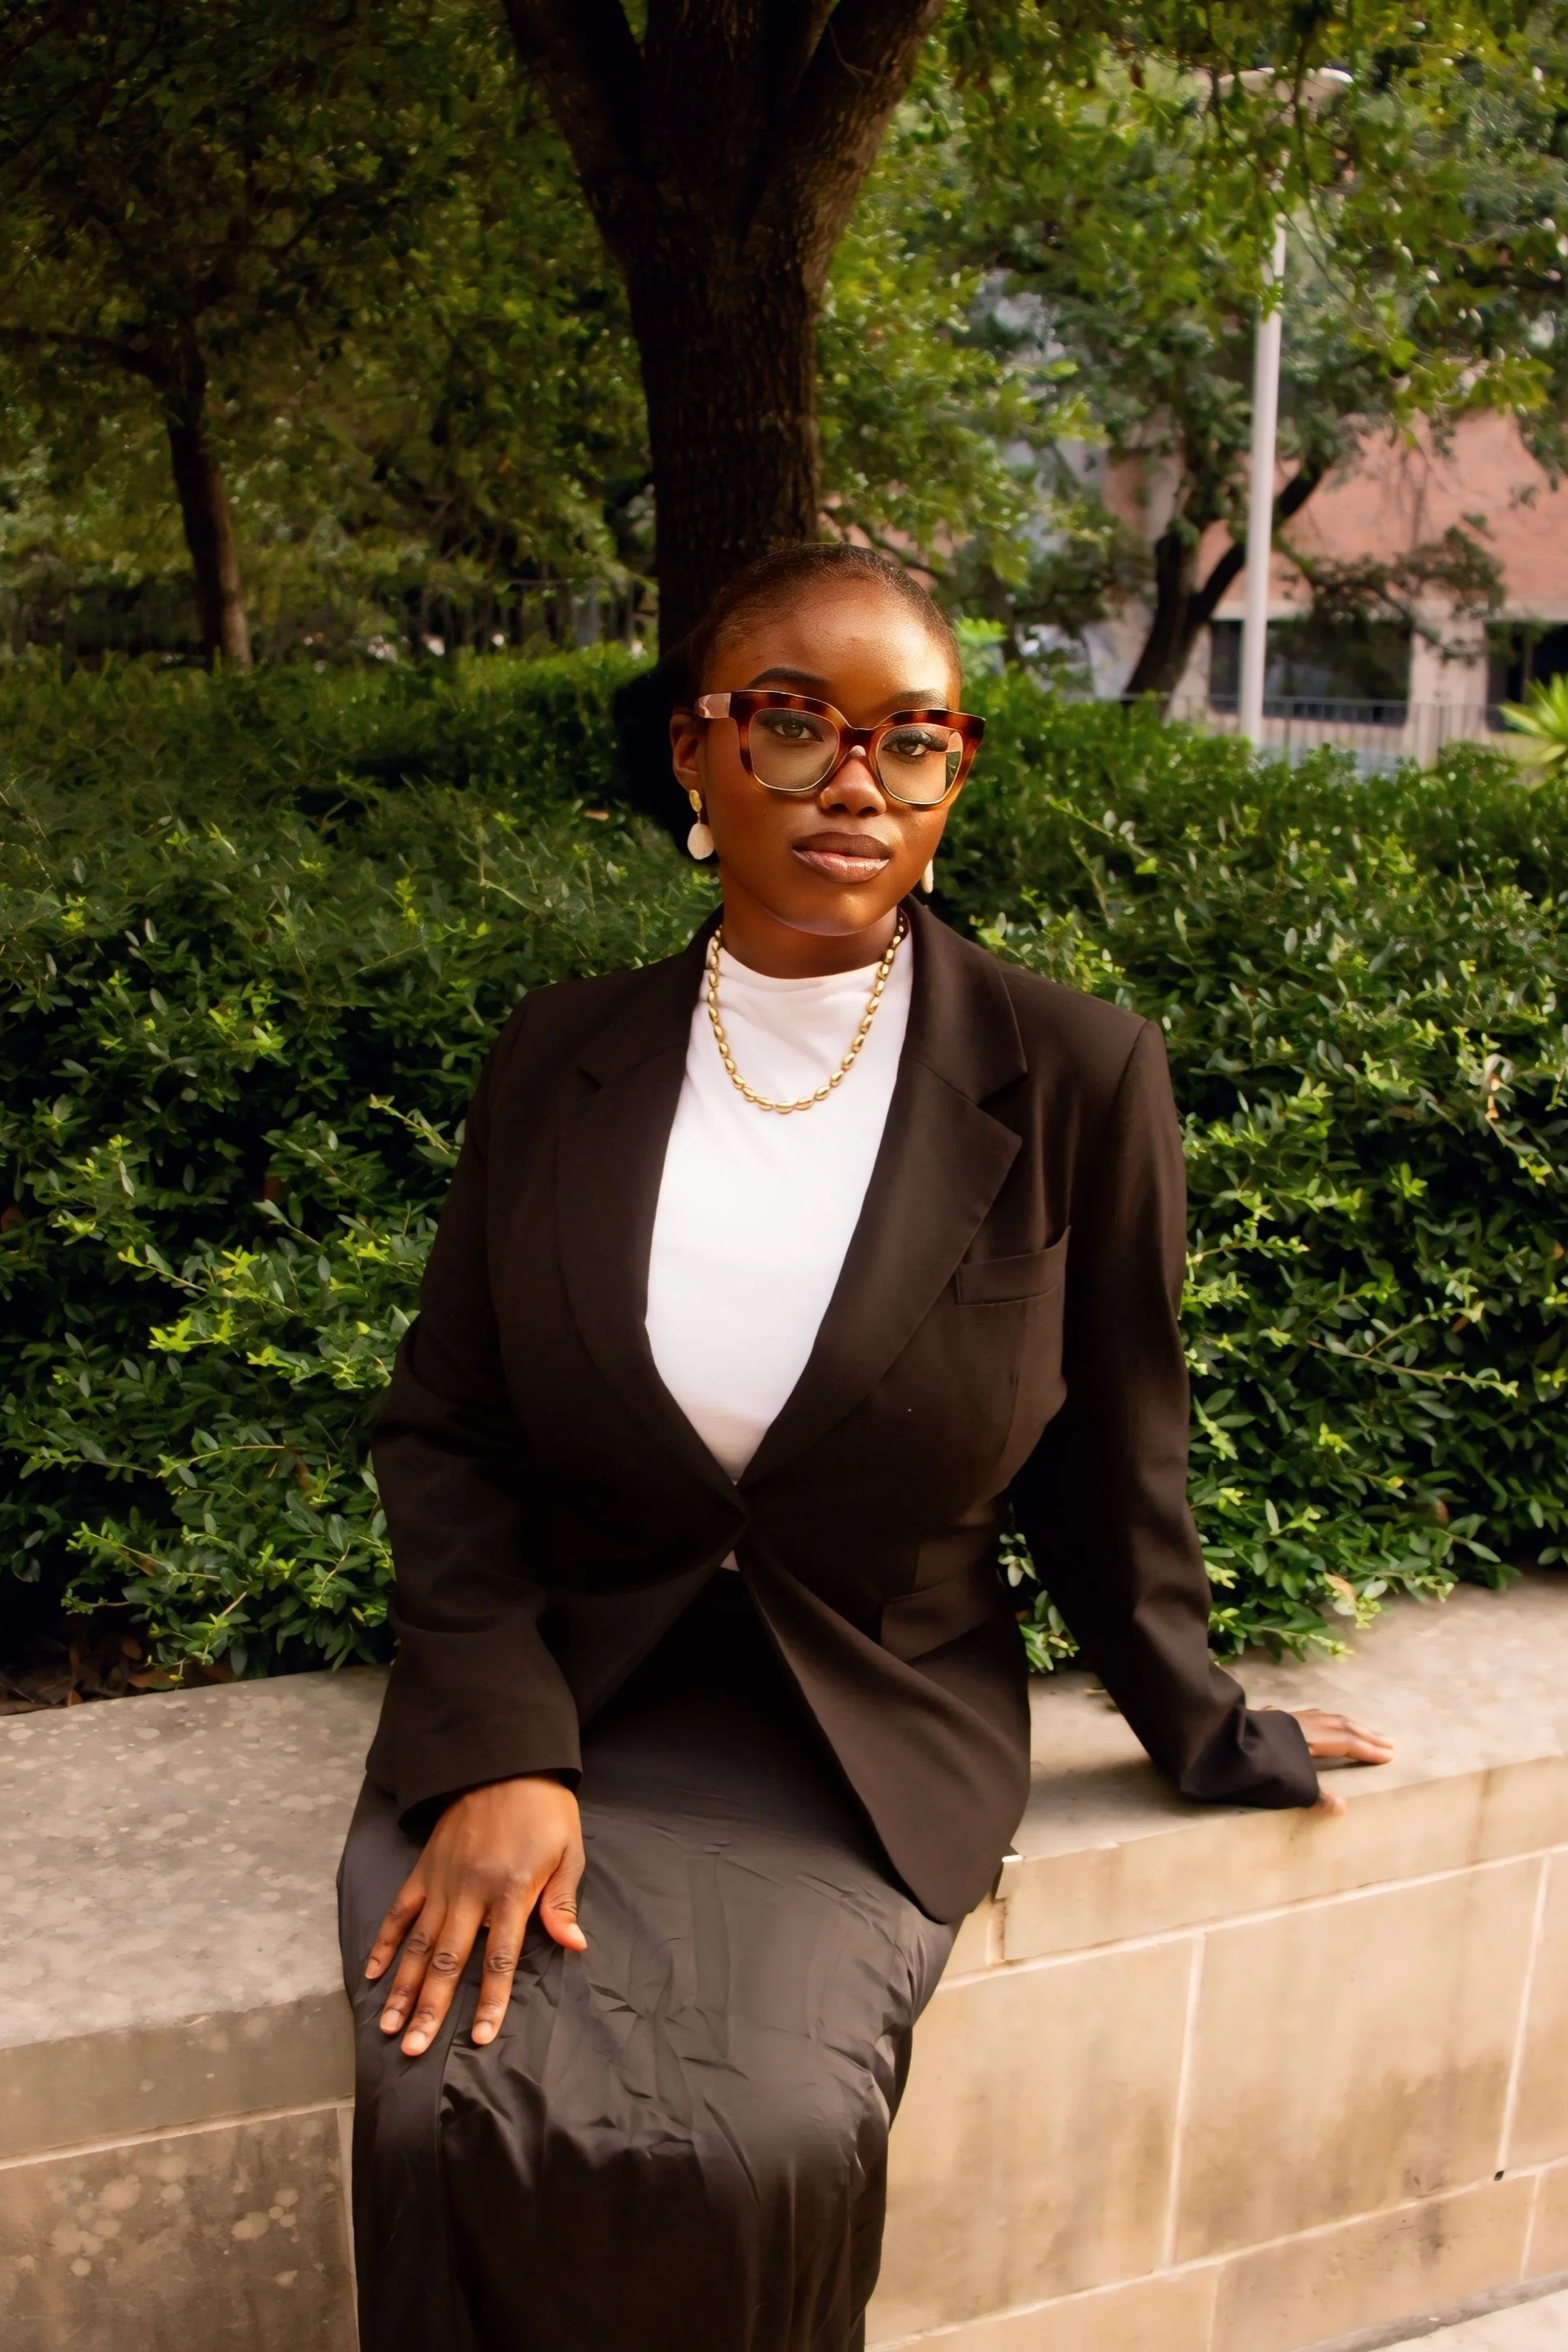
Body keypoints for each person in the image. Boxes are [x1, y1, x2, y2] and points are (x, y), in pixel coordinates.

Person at [337, 541, 1392, 2352]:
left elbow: (1115, 1460)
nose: (853, 780)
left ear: (952, 777)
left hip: (856, 1736)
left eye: (911, 738)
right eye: (795, 724)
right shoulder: (562, 1056)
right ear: (697, 755)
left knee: (756, 2145)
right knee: (450, 2098)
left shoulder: (1073, 1073)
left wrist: (1210, 1723)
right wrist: (499, 1747)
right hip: (572, 1688)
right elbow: (449, 1431)